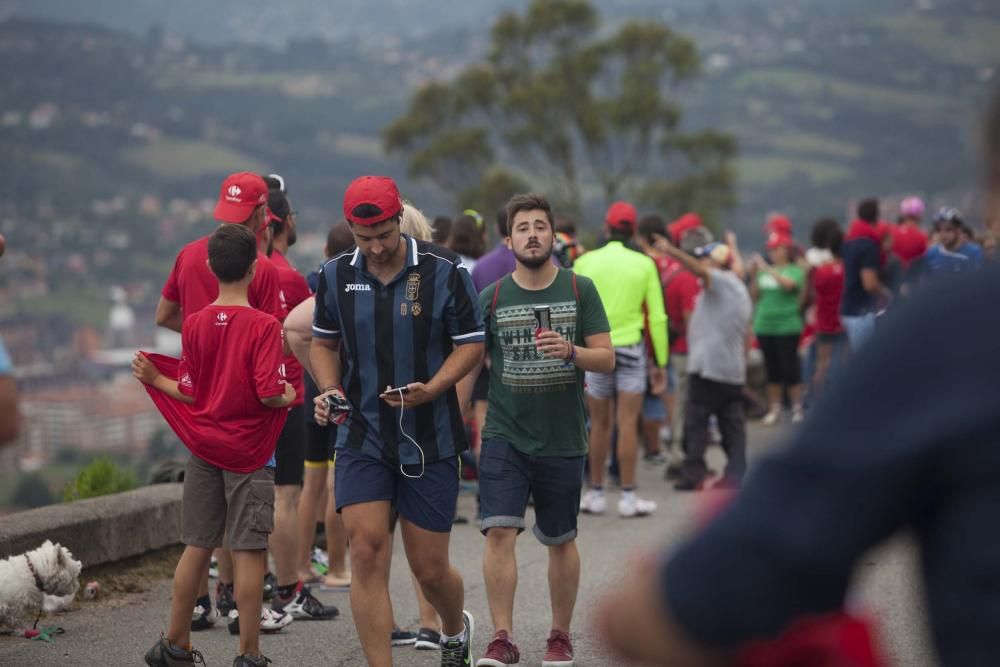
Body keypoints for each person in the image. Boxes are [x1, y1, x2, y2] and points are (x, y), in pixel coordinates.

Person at [595, 89, 1000, 667]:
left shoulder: (958, 324)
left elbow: (672, 608)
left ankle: (697, 465)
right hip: (716, 356)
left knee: (728, 415)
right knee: (731, 409)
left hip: (724, 362)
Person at [310, 176, 483, 667]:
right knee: (365, 551)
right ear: (351, 229)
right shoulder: (335, 275)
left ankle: (454, 627)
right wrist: (329, 389)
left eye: (384, 234)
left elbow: (472, 341)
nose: (377, 246)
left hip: (431, 436)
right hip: (362, 434)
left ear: (399, 217)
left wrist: (434, 387)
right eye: (365, 238)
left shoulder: (444, 269)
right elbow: (321, 342)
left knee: (430, 570)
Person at [459, 193, 613, 667]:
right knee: (499, 533)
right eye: (522, 227)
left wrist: (571, 352)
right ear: (509, 241)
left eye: (540, 226)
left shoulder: (579, 289)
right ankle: (502, 638)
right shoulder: (493, 296)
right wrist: (453, 420)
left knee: (560, 538)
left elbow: (606, 358)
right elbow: (468, 363)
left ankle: (559, 636)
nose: (532, 234)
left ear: (553, 236)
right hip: (505, 433)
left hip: (564, 436)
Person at [138, 223, 296, 667]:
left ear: (209, 267)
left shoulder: (194, 323)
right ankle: (248, 654)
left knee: (198, 545)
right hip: (249, 452)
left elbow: (191, 391)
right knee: (248, 550)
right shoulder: (265, 326)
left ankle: (175, 644)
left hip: (204, 447)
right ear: (253, 270)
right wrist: (288, 395)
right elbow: (269, 391)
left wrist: (154, 379)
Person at [156, 171, 286, 631]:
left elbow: (165, 316)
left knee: (199, 540)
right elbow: (271, 372)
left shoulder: (192, 258)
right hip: (249, 433)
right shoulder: (264, 270)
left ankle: (180, 633)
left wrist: (210, 344)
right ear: (262, 216)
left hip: (202, 428)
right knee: (248, 541)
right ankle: (244, 633)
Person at [261, 186, 339, 622]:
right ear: (283, 222)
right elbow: (301, 337)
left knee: (237, 498)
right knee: (285, 496)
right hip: (285, 394)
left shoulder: (224, 267)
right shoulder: (286, 278)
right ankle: (289, 588)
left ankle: (225, 592)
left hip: (232, 399)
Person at [574, 201, 668, 518]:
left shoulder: (585, 260)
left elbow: (573, 307)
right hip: (631, 347)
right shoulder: (644, 264)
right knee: (627, 423)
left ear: (606, 225)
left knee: (597, 424)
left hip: (597, 350)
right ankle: (628, 498)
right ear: (634, 230)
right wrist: (663, 362)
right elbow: (657, 317)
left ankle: (596, 493)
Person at [652, 234, 751, 491]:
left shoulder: (720, 282)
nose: (701, 262)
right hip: (731, 369)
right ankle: (736, 474)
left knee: (695, 422)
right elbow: (736, 265)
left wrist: (672, 250)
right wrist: (733, 245)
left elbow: (700, 271)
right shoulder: (739, 285)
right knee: (732, 425)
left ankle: (693, 473)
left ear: (716, 263)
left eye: (705, 258)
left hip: (709, 368)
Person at [750, 232, 806, 425]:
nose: (772, 253)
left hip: (787, 326)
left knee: (790, 368)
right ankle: (774, 408)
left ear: (785, 250)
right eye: (770, 250)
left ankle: (797, 407)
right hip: (765, 325)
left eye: (776, 249)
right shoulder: (763, 272)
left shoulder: (794, 270)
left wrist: (767, 269)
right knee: (771, 369)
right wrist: (754, 274)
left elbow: (790, 286)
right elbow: (755, 295)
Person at [840, 198, 889, 349]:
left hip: (846, 309)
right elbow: (869, 284)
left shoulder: (848, 242)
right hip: (861, 312)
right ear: (876, 217)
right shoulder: (869, 246)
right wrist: (887, 294)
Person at [806, 218, 847, 398]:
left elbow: (812, 292)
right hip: (843, 321)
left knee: (822, 365)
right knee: (844, 364)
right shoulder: (847, 269)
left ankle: (814, 402)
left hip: (823, 321)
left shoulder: (820, 270)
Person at [922, 208, 977, 277]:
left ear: (958, 230)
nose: (943, 234)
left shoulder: (973, 253)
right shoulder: (931, 253)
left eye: (948, 229)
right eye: (939, 230)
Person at [891, 196, 928, 270]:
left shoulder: (891, 232)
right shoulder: (922, 237)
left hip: (894, 277)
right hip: (913, 277)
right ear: (919, 216)